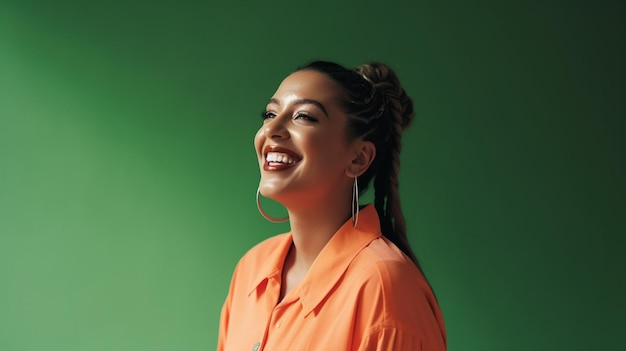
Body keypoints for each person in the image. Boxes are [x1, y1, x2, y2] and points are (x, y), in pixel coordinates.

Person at [218, 61, 446, 351]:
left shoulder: (385, 290)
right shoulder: (251, 270)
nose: (272, 130)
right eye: (270, 114)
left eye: (303, 116)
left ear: (358, 158)